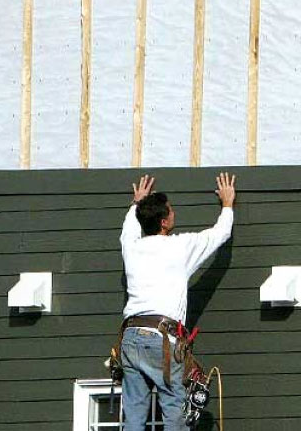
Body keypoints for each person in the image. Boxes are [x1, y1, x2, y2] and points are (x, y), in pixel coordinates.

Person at [119, 172, 235, 431]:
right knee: (174, 411)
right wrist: (227, 204)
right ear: (163, 222)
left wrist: (136, 203)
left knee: (134, 417)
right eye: (170, 211)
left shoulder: (131, 246)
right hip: (162, 340)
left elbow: (128, 227)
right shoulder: (180, 248)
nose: (173, 214)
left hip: (130, 337)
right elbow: (220, 234)